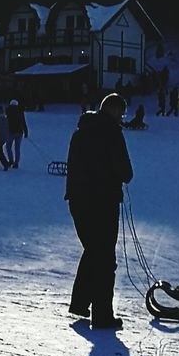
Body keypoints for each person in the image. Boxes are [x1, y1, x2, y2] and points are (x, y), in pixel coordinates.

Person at [65, 93, 133, 329]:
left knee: (93, 251)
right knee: (104, 257)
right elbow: (126, 171)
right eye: (122, 113)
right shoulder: (112, 133)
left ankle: (81, 303)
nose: (123, 118)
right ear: (114, 111)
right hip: (102, 202)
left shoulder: (80, 132)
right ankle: (102, 314)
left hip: (78, 201)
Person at [6, 99, 29, 167]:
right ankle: (16, 163)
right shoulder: (20, 112)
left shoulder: (8, 111)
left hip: (11, 132)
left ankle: (10, 160)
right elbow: (23, 122)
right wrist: (26, 132)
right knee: (17, 148)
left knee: (8, 147)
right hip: (19, 132)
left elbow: (7, 122)